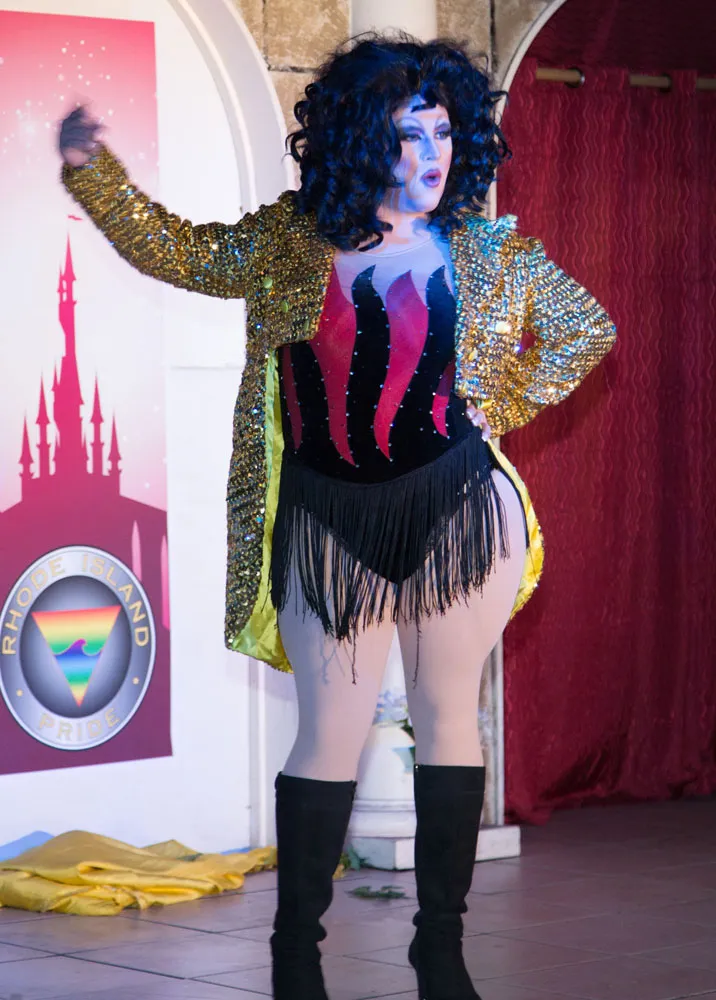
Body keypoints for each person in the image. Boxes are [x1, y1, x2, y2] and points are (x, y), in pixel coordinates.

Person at [58, 34, 616, 1000]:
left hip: (459, 512)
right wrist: (91, 173)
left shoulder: (485, 251)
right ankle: (295, 959)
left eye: (444, 132)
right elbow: (178, 251)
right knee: (328, 735)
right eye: (409, 134)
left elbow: (584, 328)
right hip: (328, 517)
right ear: (361, 140)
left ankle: (440, 951)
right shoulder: (291, 240)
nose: (433, 153)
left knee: (448, 720)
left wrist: (505, 397)